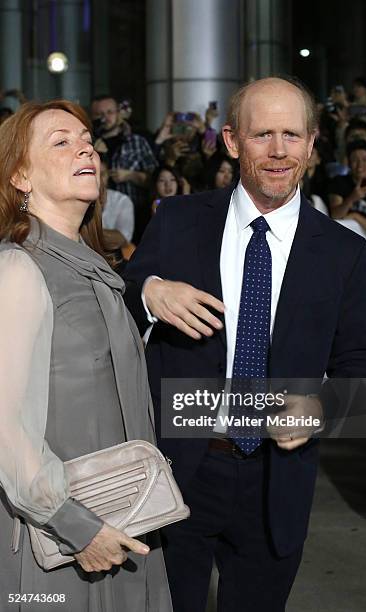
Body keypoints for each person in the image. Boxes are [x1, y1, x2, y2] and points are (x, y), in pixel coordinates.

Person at [124, 76, 366, 612]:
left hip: (278, 482)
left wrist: (320, 406)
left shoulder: (343, 252)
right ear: (232, 142)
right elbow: (118, 298)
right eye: (263, 134)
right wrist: (149, 290)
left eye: (292, 134)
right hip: (177, 472)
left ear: (312, 144)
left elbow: (359, 365)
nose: (280, 150)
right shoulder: (176, 221)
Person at [0, 100, 172, 612]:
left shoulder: (91, 267)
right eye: (61, 141)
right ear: (20, 176)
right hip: (61, 541)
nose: (85, 148)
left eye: (86, 139)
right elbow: (6, 426)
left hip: (124, 522)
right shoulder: (18, 270)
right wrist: (77, 526)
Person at [92, 95, 157, 244]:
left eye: (109, 112)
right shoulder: (88, 143)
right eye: (99, 114)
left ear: (118, 113)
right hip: (99, 216)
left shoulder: (137, 142)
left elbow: (155, 180)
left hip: (137, 214)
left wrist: (130, 176)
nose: (105, 118)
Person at [329, 139, 366, 239]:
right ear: (348, 163)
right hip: (340, 239)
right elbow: (335, 215)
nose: (360, 164)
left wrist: (356, 217)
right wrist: (351, 198)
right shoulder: (338, 182)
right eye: (355, 160)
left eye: (365, 160)